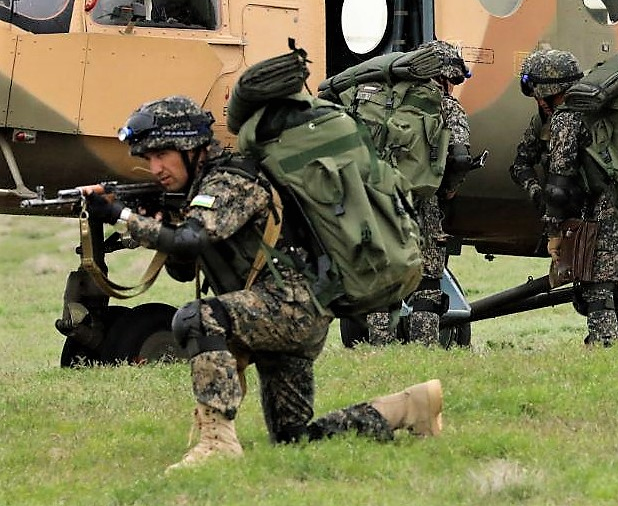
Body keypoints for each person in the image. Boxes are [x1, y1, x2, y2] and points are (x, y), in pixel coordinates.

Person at [82, 95, 443, 470]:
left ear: (190, 146)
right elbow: (183, 266)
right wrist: (157, 224)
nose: (154, 167)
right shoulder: (204, 188)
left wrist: (119, 215)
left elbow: (192, 240)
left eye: (161, 154)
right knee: (293, 437)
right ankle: (409, 407)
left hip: (289, 308)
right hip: (286, 314)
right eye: (148, 159)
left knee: (198, 319)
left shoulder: (230, 181)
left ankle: (217, 443)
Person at [509, 49, 618, 346]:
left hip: (615, 210)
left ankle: (602, 347)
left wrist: (554, 229)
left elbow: (559, 183)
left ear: (546, 92)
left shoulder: (568, 115)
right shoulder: (614, 103)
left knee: (598, 286)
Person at [365, 40, 476, 346]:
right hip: (424, 202)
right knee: (427, 281)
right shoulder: (446, 107)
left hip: (380, 200)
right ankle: (423, 347)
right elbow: (460, 158)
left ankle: (378, 346)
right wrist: (450, 190)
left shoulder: (383, 101)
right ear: (444, 77)